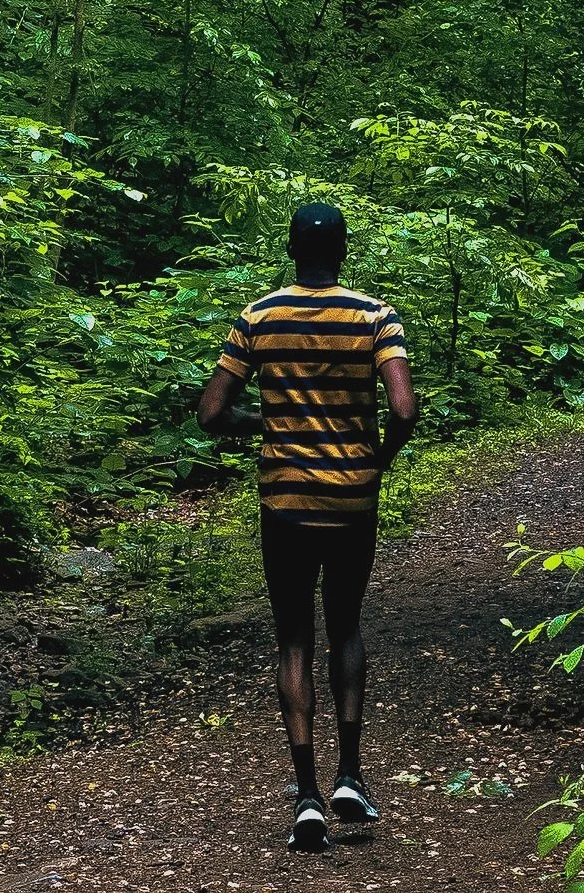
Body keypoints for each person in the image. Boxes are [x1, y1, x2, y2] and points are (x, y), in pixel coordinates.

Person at [197, 201, 418, 853]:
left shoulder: (259, 317)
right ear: (343, 249)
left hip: (285, 503)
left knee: (294, 637)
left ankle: (309, 796)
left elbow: (210, 412)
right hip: (353, 500)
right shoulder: (375, 316)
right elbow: (404, 407)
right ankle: (350, 773)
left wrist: (262, 431)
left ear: (291, 250)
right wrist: (378, 457)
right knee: (345, 625)